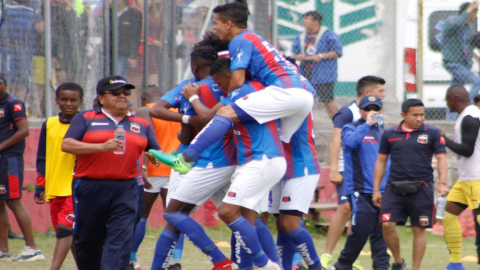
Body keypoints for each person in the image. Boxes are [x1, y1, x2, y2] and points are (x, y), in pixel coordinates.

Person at [152, 2, 314, 175]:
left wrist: (224, 99)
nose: (215, 28)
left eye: (216, 23)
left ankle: (184, 159)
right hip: (303, 96)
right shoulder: (255, 38)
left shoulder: (239, 41)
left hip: (283, 92)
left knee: (225, 113)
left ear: (228, 24)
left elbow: (237, 81)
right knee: (280, 144)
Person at [160, 56, 286, 270]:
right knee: (247, 218)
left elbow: (211, 118)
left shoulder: (242, 92)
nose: (219, 89)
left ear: (229, 76)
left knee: (225, 212)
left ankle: (260, 264)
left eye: (219, 84)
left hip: (259, 159)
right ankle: (262, 265)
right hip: (256, 160)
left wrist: (192, 101)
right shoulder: (258, 87)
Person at [61, 76, 160, 270]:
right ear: (101, 98)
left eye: (126, 92)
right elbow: (67, 144)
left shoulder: (141, 123)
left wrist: (156, 159)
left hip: (127, 187)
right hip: (90, 186)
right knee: (88, 240)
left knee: (121, 238)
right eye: (115, 93)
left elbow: (153, 150)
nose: (122, 96)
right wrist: (101, 147)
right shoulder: (86, 118)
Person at [372, 99, 449, 270]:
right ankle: (399, 262)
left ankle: (415, 268)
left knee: (418, 229)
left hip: (422, 187)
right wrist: (376, 189)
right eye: (415, 115)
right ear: (403, 115)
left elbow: (442, 159)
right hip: (394, 187)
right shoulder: (390, 134)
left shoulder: (433, 133)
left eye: (422, 114)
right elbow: (381, 162)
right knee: (387, 225)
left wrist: (442, 183)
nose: (419, 118)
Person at [321, 75, 386, 269]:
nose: (383, 95)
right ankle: (328, 255)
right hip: (347, 168)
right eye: (380, 91)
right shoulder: (348, 114)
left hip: (369, 175)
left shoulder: (379, 126)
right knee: (345, 209)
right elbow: (336, 141)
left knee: (371, 223)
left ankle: (357, 259)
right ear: (367, 94)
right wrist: (334, 169)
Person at [333, 95, 390, 270]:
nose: (372, 112)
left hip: (382, 190)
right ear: (361, 111)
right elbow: (350, 142)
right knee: (360, 231)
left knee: (381, 232)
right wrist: (367, 124)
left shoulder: (383, 133)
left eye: (376, 108)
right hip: (360, 190)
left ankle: (382, 267)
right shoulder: (351, 128)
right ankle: (342, 265)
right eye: (368, 108)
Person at [132, 85, 182, 270]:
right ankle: (175, 261)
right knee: (176, 216)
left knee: (141, 216)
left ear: (143, 96)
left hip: (153, 169)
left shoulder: (144, 110)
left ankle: (131, 258)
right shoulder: (177, 111)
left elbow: (146, 139)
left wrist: (143, 165)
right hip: (176, 168)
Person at [34, 82, 84, 270]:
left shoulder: (86, 122)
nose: (68, 103)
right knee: (68, 235)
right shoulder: (49, 123)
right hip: (55, 187)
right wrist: (41, 186)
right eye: (64, 99)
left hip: (75, 187)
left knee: (65, 230)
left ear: (81, 101)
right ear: (56, 101)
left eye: (73, 100)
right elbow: (42, 157)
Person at [0, 73, 44, 262]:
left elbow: (24, 130)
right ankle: (3, 249)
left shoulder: (13, 103)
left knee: (13, 201)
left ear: (5, 84)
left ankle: (32, 248)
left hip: (9, 160)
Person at [440, 85, 480, 270]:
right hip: (465, 179)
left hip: (476, 179)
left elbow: (467, 150)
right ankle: (455, 265)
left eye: (447, 100)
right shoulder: (464, 116)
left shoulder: (470, 117)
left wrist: (444, 140)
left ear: (453, 100)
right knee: (448, 216)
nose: (446, 103)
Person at [291, 10, 342, 118]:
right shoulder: (301, 36)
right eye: (303, 18)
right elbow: (295, 52)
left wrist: (321, 56)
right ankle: (306, 127)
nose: (303, 21)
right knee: (304, 101)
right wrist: (299, 56)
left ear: (316, 21)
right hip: (305, 73)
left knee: (328, 101)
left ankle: (339, 126)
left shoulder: (328, 34)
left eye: (306, 19)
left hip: (323, 75)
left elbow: (337, 52)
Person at [442, 1, 480, 101]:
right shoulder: (451, 23)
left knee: (454, 94)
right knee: (477, 81)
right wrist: (471, 7)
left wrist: (475, 57)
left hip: (464, 64)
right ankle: (468, 105)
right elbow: (457, 23)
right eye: (474, 12)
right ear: (468, 12)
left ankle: (452, 116)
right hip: (453, 63)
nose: (475, 16)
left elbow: (467, 45)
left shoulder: (467, 28)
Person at [116, 0, 142, 78]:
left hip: (123, 53)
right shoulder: (107, 13)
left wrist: (132, 55)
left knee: (118, 77)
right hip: (107, 53)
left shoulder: (134, 14)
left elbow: (135, 36)